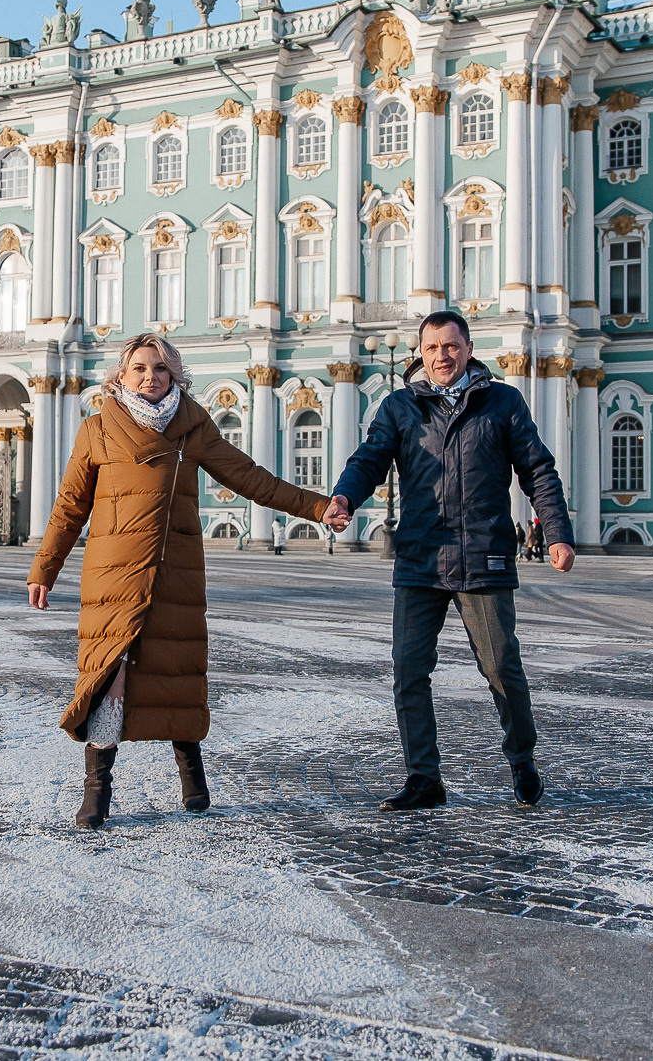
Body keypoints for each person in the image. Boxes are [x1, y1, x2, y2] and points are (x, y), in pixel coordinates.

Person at [29, 332, 332, 830]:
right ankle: (97, 790)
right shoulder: (97, 430)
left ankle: (192, 774)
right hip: (113, 575)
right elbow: (69, 506)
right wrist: (45, 567)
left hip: (176, 572)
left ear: (175, 375)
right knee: (108, 676)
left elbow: (249, 477)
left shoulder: (193, 426)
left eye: (161, 369)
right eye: (141, 369)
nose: (151, 377)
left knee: (178, 675)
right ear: (121, 376)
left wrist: (316, 507)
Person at [325, 310, 574, 814]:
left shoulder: (501, 401)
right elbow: (369, 459)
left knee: (502, 667)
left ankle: (522, 763)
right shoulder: (399, 407)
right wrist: (345, 498)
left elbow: (537, 469)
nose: (442, 355)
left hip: (485, 556)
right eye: (432, 346)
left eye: (451, 346)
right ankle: (424, 778)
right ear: (420, 352)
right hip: (419, 557)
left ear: (468, 349)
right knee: (409, 670)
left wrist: (556, 534)